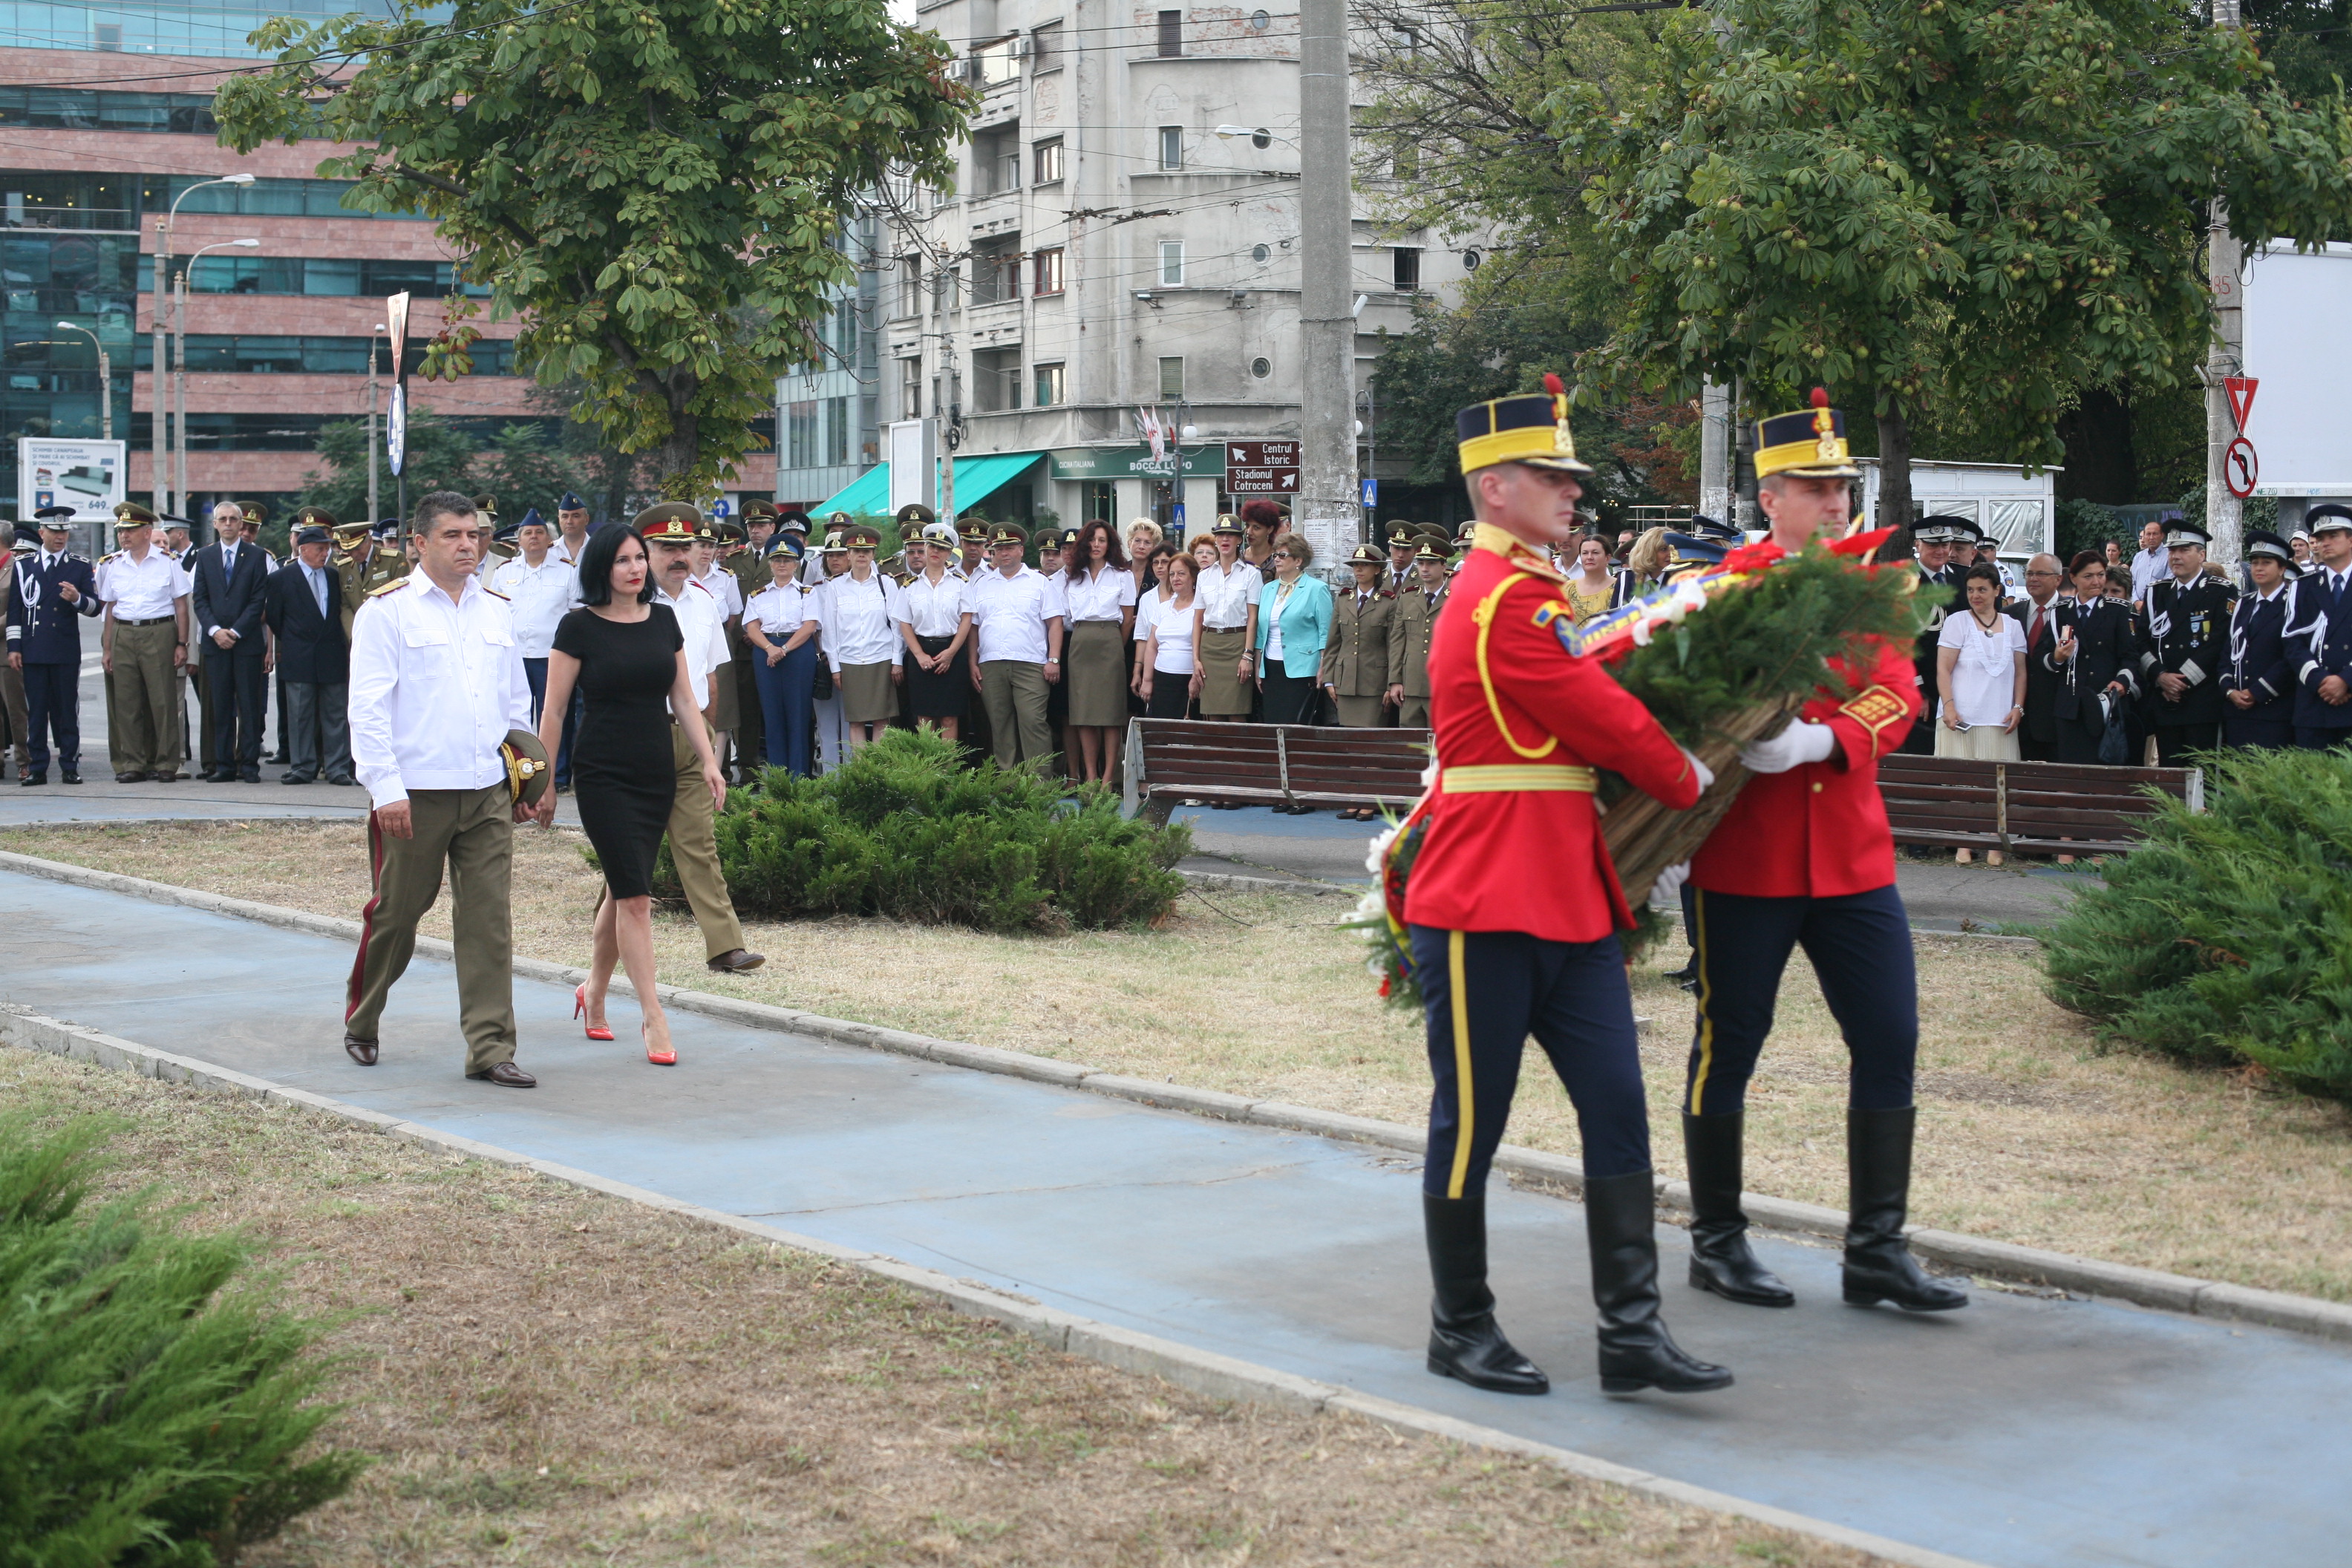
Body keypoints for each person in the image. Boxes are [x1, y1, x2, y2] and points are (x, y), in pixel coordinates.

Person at [1408, 382, 1726, 1399]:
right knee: (1473, 1121)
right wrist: (1688, 777)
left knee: (1619, 1110)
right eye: (1552, 477)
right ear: (1494, 489)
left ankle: (1630, 1333)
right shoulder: (1503, 599)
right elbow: (1595, 715)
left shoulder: (1531, 593)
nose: (1571, 492)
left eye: (1572, 477)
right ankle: (1460, 1327)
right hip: (1482, 899)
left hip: (1565, 897)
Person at [1679, 390, 1965, 1320]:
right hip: (1746, 862)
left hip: (1850, 857)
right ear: (1772, 498)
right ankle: (1717, 1242)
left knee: (1889, 1038)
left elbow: (1899, 693)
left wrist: (1821, 741)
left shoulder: (1875, 585)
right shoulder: (1723, 590)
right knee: (1731, 1047)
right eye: (1816, 486)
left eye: (1843, 486)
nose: (1838, 502)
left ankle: (1877, 1249)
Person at [343, 490, 538, 1087]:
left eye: (474, 535)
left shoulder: (496, 608)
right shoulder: (388, 612)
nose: (467, 545)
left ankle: (490, 1047)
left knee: (488, 921)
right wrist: (386, 789)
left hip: (485, 790)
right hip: (416, 793)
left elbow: (515, 703)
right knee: (398, 915)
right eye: (452, 535)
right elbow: (368, 710)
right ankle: (363, 1017)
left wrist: (525, 778)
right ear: (419, 544)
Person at [535, 523, 723, 1065]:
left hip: (655, 771)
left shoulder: (664, 619)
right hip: (603, 774)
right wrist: (545, 781)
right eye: (622, 560)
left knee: (625, 888)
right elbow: (554, 710)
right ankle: (652, 1014)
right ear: (601, 569)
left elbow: (685, 700)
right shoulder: (578, 628)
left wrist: (709, 762)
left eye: (640, 558)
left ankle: (592, 990)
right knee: (637, 898)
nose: (636, 568)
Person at [638, 503, 765, 974]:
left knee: (700, 844)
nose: (677, 556)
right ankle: (607, 934)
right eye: (665, 547)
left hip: (690, 737)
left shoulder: (704, 600)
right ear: (645, 551)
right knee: (631, 846)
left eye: (683, 547)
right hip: (640, 734)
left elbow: (710, 678)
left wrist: (709, 741)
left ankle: (725, 946)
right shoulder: (629, 602)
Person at [5, 504, 102, 785]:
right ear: (42, 532)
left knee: (66, 711)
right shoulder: (24, 566)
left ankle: (70, 765)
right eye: (54, 531)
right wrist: (14, 646)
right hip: (34, 647)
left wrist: (77, 600)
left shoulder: (79, 565)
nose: (60, 537)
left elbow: (95, 608)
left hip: (64, 649)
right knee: (36, 712)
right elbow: (16, 609)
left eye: (65, 531)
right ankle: (37, 767)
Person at [96, 502, 189, 783]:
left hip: (158, 631)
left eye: (131, 530)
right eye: (121, 531)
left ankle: (164, 763)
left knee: (162, 702)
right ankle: (131, 763)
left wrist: (181, 643)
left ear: (147, 532)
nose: (124, 536)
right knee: (126, 702)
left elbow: (181, 606)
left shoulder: (168, 562)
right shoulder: (113, 565)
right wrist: (108, 648)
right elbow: (110, 608)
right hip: (123, 633)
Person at [962, 523, 1064, 768]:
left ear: (1021, 549)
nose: (1004, 553)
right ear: (993, 552)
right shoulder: (981, 584)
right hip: (991, 663)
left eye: (1009, 547)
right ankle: (1009, 784)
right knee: (1000, 725)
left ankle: (1039, 785)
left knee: (1033, 722)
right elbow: (973, 627)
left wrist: (1054, 660)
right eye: (998, 549)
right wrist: (972, 662)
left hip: (1031, 663)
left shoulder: (1039, 582)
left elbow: (1055, 623)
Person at [264, 517, 356, 786]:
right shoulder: (281, 578)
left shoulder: (332, 575)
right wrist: (295, 641)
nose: (325, 553)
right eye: (319, 548)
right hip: (299, 655)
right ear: (303, 549)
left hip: (331, 655)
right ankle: (303, 766)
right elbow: (275, 618)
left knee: (335, 714)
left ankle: (337, 767)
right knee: (301, 715)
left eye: (327, 548)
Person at [2134, 519, 2233, 764]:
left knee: (2204, 780)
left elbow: (2220, 643)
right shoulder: (2157, 591)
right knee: (2171, 778)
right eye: (2172, 550)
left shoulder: (2221, 591)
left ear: (2201, 555)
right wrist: (2160, 676)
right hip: (2165, 701)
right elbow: (2142, 640)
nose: (2176, 557)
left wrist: (2181, 682)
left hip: (2201, 700)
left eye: (2184, 550)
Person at [190, 500, 271, 782]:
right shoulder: (205, 556)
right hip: (215, 645)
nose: (227, 524)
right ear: (214, 525)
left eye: (232, 519)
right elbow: (199, 599)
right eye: (222, 519)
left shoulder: (257, 555)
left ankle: (248, 765)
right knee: (220, 707)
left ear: (240, 524)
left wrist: (235, 632)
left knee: (249, 707)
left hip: (246, 643)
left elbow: (257, 599)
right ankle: (223, 766)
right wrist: (215, 631)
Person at [1061, 518, 1137, 785]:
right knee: (1083, 714)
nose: (1096, 545)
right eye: (1092, 540)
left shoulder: (1122, 575)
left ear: (1110, 544)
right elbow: (1068, 616)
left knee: (1110, 714)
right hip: (1080, 641)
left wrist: (1115, 643)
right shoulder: (1074, 575)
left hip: (1110, 641)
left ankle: (1108, 777)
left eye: (1102, 540)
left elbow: (1128, 619)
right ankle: (1090, 775)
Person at [817, 525, 904, 754]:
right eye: (856, 551)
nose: (862, 555)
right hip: (850, 660)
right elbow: (830, 631)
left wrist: (897, 661)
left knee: (881, 720)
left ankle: (878, 770)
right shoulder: (836, 586)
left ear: (874, 554)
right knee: (854, 721)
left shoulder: (887, 584)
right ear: (849, 555)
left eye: (867, 550)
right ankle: (861, 772)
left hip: (881, 659)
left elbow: (897, 626)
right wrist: (835, 668)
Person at [2047, 550, 2138, 766]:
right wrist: (2057, 657)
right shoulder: (2058, 612)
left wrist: (2123, 682)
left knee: (2105, 775)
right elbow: (2044, 657)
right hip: (2070, 705)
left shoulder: (2119, 610)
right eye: (2089, 576)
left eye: (2101, 575)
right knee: (2072, 774)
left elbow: (2130, 656)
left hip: (2105, 702)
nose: (2096, 582)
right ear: (2074, 578)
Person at [489, 508, 579, 725]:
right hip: (515, 656)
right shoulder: (504, 571)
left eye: (539, 532)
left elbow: (578, 615)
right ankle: (520, 759)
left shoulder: (567, 570)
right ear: (519, 540)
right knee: (515, 717)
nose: (534, 537)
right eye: (528, 533)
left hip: (553, 658)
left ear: (549, 538)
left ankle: (559, 760)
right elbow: (493, 613)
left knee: (558, 717)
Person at [1935, 563, 2028, 760]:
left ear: (1997, 591)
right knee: (1960, 785)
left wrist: (2018, 707)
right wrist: (1949, 707)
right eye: (1970, 590)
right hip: (1960, 720)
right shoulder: (1957, 621)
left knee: (1998, 784)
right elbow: (1943, 669)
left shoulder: (2014, 626)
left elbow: (2020, 672)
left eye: (1982, 589)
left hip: (2000, 720)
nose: (1975, 595)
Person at [745, 536, 820, 774]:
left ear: (797, 563)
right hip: (766, 651)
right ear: (769, 562)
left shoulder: (807, 593)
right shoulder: (758, 595)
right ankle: (778, 778)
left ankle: (799, 778)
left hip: (797, 652)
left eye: (787, 560)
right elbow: (752, 627)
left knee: (798, 715)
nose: (782, 564)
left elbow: (809, 626)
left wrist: (784, 650)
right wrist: (770, 649)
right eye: (777, 559)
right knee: (772, 714)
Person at [2221, 529, 2299, 751]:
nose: (2259, 568)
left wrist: (2258, 692)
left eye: (2266, 562)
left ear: (2283, 568)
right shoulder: (2243, 604)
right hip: (2238, 712)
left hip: (2275, 711)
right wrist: (2229, 689)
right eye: (2255, 562)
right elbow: (2229, 652)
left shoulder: (2293, 603)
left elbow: (2291, 656)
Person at [2284, 504, 2352, 752]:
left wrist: (2345, 680)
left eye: (2334, 536)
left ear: (2351, 540)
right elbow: (2292, 642)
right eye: (2320, 537)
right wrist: (2320, 680)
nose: (2325, 543)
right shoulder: (2302, 587)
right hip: (2314, 704)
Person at [895, 523, 971, 742]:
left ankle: (947, 772)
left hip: (953, 651)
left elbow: (966, 619)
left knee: (949, 718)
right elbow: (904, 623)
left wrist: (951, 653)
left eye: (942, 548)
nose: (936, 552)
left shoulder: (960, 584)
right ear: (926, 548)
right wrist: (919, 655)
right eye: (932, 547)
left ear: (949, 553)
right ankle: (928, 773)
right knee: (924, 718)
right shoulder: (909, 586)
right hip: (921, 652)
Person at [1900, 516, 1969, 754]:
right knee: (1924, 751)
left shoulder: (1965, 579)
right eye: (1932, 545)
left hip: (1963, 682)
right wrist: (1915, 687)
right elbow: (1899, 641)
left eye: (1945, 545)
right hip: (1924, 684)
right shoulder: (1904, 582)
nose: (1940, 551)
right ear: (1918, 546)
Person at [1252, 532, 1333, 732]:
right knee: (1273, 724)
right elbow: (1262, 634)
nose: (1277, 559)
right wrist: (1258, 666)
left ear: (1298, 560)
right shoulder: (1268, 589)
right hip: (1271, 668)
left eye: (1282, 555)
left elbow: (1326, 633)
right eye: (1275, 555)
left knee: (1297, 726)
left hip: (1302, 669)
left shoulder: (1316, 589)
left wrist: (1323, 666)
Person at [1192, 515, 1260, 732]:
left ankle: (1239, 764)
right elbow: (1198, 620)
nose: (1225, 539)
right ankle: (1217, 763)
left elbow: (1253, 618)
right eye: (1220, 534)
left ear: (1240, 539)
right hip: (1210, 645)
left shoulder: (1251, 573)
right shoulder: (1204, 576)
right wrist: (1195, 659)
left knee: (1237, 712)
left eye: (1231, 534)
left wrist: (1247, 655)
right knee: (1213, 713)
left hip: (1237, 644)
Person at [1323, 540, 1398, 733]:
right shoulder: (1343, 600)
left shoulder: (1388, 602)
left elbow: (1393, 647)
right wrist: (1329, 679)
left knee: (1372, 738)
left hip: (1374, 683)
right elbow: (1334, 643)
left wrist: (1391, 684)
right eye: (1356, 565)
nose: (1358, 569)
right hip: (1345, 682)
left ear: (1377, 570)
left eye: (1364, 565)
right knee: (1349, 739)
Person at [2005, 553, 2068, 762]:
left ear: (2058, 579)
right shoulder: (2009, 615)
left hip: (2058, 717)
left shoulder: (2071, 612)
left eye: (2040, 574)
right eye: (2029, 573)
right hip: (2016, 716)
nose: (2033, 579)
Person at [1390, 540, 1450, 728]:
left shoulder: (1455, 599)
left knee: (1440, 746)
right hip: (1411, 684)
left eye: (1431, 563)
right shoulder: (1407, 598)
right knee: (1409, 745)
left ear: (1444, 566)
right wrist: (1395, 681)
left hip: (1442, 685)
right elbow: (1397, 642)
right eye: (1421, 563)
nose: (1424, 568)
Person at [806, 529, 852, 771]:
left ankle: (852, 776)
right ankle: (830, 779)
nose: (835, 559)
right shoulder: (816, 589)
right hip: (823, 659)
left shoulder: (858, 586)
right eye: (831, 555)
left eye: (841, 554)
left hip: (851, 658)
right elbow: (812, 627)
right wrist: (820, 655)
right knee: (825, 723)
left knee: (851, 722)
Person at [1137, 548, 1199, 719]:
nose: (1175, 578)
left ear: (1193, 576)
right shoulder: (1163, 608)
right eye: (1172, 574)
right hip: (1161, 681)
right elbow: (1151, 646)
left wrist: (1195, 677)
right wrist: (1147, 680)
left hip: (1188, 682)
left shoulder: (1201, 608)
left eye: (1181, 573)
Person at [1565, 535, 1616, 623]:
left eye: (1595, 553)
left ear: (1607, 558)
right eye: (1585, 553)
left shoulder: (1618, 587)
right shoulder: (1568, 588)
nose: (1589, 557)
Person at [2127, 517, 2172, 608]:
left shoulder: (2170, 556)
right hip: (2137, 608)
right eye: (2148, 534)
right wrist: (2136, 601)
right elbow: (2130, 582)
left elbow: (2168, 583)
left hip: (2159, 607)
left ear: (2162, 535)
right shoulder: (2138, 557)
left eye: (2155, 534)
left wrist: (2149, 604)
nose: (2151, 537)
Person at [550, 491, 593, 565]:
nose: (569, 521)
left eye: (576, 516)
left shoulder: (599, 549)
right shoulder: (547, 552)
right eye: (565, 516)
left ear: (586, 519)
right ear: (559, 520)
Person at [1240, 498, 1283, 573]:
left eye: (1256, 528)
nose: (1249, 532)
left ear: (1270, 529)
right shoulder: (1237, 558)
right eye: (1247, 525)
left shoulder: (1279, 559)